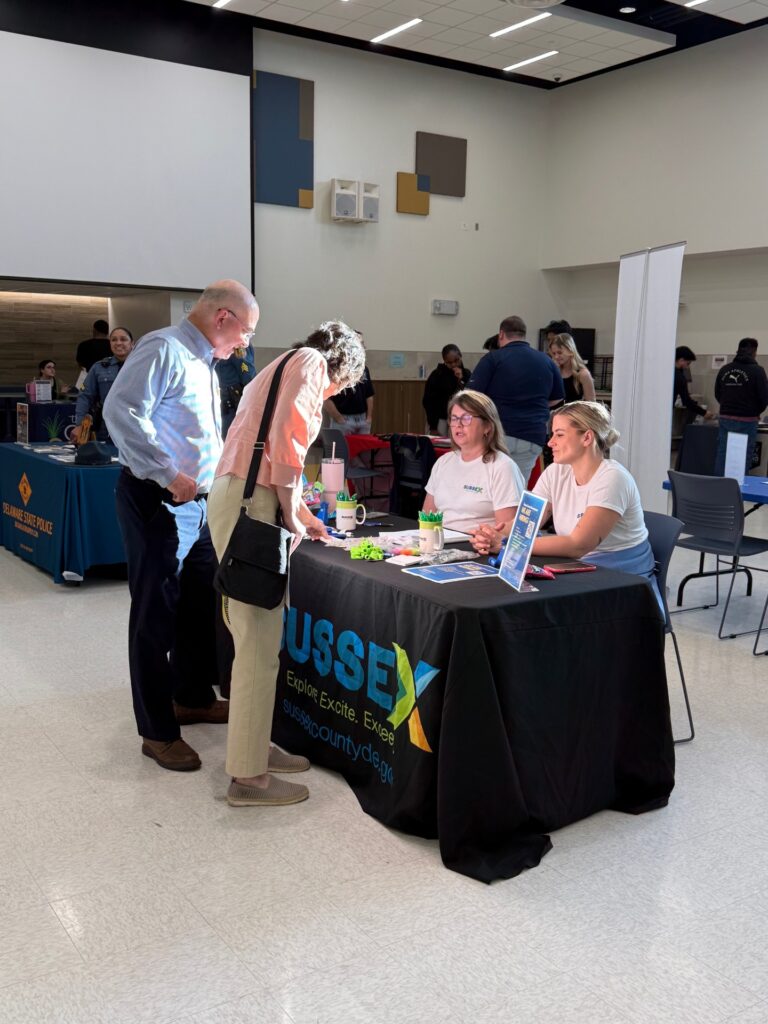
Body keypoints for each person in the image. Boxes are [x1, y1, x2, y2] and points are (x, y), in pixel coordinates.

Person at [207, 320, 366, 807]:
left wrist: (299, 514)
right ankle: (249, 779)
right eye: (343, 387)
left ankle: (253, 747)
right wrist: (295, 517)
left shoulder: (281, 363)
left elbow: (271, 452)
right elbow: (288, 446)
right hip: (250, 503)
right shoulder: (312, 365)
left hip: (240, 497)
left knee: (255, 636)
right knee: (258, 642)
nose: (334, 394)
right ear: (342, 367)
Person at [103, 280, 259, 772]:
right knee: (155, 613)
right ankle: (156, 730)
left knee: (198, 605)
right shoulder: (162, 348)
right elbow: (121, 412)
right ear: (222, 319)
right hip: (160, 499)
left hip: (199, 505)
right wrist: (169, 474)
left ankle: (190, 696)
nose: (245, 343)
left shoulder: (205, 362)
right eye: (245, 331)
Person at [470, 401, 662, 612]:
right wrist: (492, 533)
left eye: (559, 435)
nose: (550, 442)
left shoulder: (613, 478)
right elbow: (526, 523)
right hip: (579, 567)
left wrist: (509, 545)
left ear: (587, 437)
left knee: (536, 606)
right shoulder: (556, 471)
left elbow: (578, 544)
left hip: (622, 578)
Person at [469, 315, 564, 483]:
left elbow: (471, 397)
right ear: (524, 335)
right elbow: (557, 398)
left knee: (490, 487)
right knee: (517, 487)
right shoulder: (547, 361)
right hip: (532, 435)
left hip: (498, 433)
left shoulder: (493, 359)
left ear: (501, 335)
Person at [422, 390, 524, 534]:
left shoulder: (502, 467)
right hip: (440, 546)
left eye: (466, 418)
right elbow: (427, 517)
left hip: (478, 549)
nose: (458, 425)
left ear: (487, 426)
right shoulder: (444, 462)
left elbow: (507, 531)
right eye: (454, 418)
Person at [714, 338, 768, 476]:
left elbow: (718, 393)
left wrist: (728, 408)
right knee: (742, 455)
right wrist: (755, 411)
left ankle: (718, 485)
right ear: (754, 351)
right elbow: (764, 397)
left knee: (723, 453)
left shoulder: (725, 369)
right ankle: (738, 489)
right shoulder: (757, 371)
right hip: (747, 420)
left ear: (738, 350)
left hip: (725, 418)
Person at [75, 327, 134, 442]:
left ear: (132, 343)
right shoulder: (99, 367)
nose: (118, 343)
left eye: (123, 339)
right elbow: (85, 396)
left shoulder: (143, 367)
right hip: (105, 428)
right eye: (114, 340)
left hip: (134, 428)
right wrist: (79, 425)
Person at [323, 329, 374, 434]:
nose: (362, 346)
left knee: (363, 450)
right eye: (359, 343)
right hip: (343, 420)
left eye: (362, 343)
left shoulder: (364, 369)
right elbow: (325, 397)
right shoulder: (335, 368)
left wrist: (368, 417)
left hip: (362, 419)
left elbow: (369, 394)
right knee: (341, 450)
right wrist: (338, 418)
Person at [422, 344, 472, 435]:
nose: (453, 364)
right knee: (439, 446)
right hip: (440, 420)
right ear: (444, 361)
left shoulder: (467, 374)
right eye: (449, 362)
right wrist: (433, 426)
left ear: (461, 356)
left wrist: (461, 380)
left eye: (456, 360)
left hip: (460, 419)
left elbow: (469, 396)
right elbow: (428, 401)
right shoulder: (437, 375)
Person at [215, 343, 256, 438]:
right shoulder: (221, 343)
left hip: (234, 400)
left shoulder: (240, 345)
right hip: (222, 399)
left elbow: (248, 375)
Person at [548, 333, 596, 403]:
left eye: (560, 352)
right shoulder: (554, 371)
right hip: (554, 412)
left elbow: (592, 403)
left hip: (574, 413)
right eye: (554, 353)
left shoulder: (583, 374)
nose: (556, 357)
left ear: (570, 351)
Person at [674, 346, 713, 423]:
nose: (688, 366)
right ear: (681, 360)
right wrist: (704, 412)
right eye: (688, 363)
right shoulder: (679, 377)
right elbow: (687, 401)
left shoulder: (664, 371)